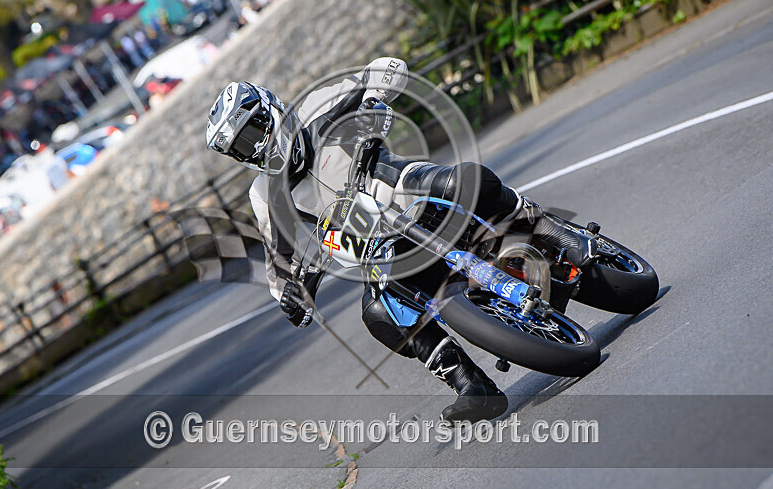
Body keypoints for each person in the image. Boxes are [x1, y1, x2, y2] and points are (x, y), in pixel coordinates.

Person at [205, 58, 591, 422]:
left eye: (253, 132)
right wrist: (289, 293)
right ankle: (470, 384)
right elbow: (278, 260)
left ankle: (553, 231)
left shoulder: (319, 103)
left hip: (407, 190)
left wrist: (372, 96)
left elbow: (387, 69)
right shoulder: (264, 193)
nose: (254, 148)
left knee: (468, 180)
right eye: (241, 147)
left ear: (269, 110)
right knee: (377, 312)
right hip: (375, 246)